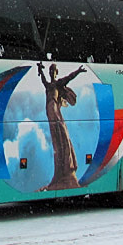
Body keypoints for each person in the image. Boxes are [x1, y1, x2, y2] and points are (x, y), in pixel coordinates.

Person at [37, 62, 86, 190]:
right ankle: (62, 170)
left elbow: (69, 77)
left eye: (54, 71)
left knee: (62, 135)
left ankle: (66, 169)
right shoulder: (49, 85)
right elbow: (42, 79)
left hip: (54, 109)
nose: (52, 73)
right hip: (49, 110)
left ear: (56, 73)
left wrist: (78, 71)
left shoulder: (58, 83)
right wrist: (39, 69)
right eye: (50, 71)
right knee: (57, 137)